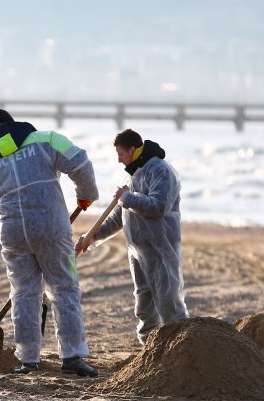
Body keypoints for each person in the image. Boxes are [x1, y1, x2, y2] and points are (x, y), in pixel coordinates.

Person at [0, 108, 100, 377]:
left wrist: (18, 222)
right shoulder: (45, 139)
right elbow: (80, 161)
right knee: (64, 288)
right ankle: (72, 356)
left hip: (12, 233)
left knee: (23, 293)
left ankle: (27, 360)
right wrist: (86, 195)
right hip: (51, 227)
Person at [76, 129, 188, 345]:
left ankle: (180, 346)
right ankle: (150, 346)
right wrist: (91, 238)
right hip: (137, 250)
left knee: (168, 300)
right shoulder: (131, 175)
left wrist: (127, 198)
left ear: (132, 149)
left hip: (160, 247)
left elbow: (158, 206)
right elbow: (118, 218)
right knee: (143, 302)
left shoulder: (160, 171)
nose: (119, 160)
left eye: (121, 154)